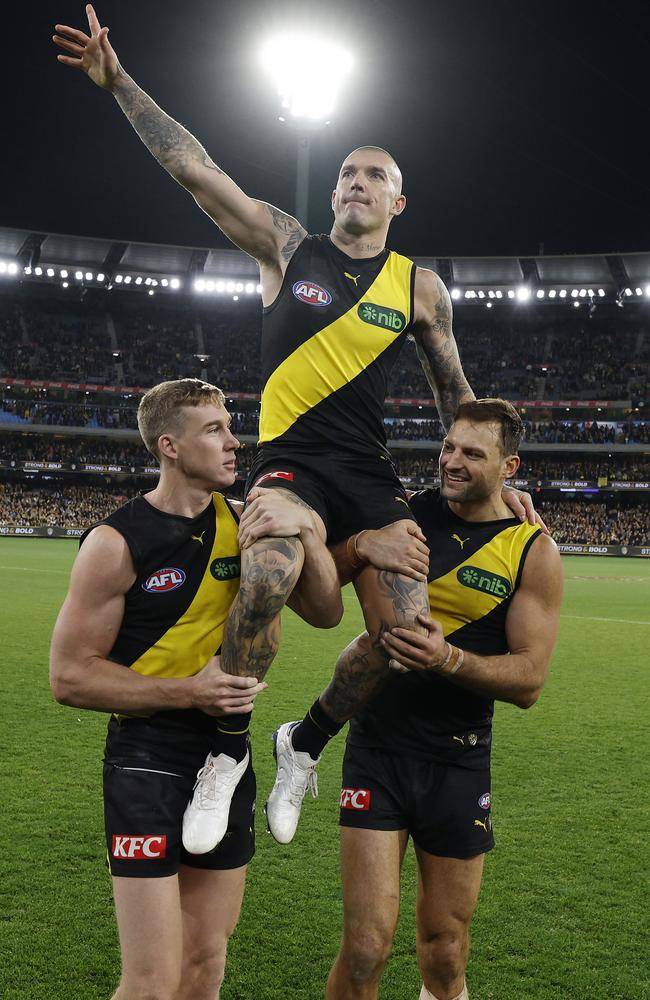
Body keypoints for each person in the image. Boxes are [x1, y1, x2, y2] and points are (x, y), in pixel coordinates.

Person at [53, 7, 538, 854]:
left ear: (398, 198)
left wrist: (504, 477)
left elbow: (459, 401)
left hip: (370, 474)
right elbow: (197, 172)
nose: (355, 181)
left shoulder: (420, 289)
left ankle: (302, 741)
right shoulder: (287, 247)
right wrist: (119, 81)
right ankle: (227, 749)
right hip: (290, 465)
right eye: (346, 171)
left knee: (408, 638)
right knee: (270, 572)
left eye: (373, 174)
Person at [49, 378, 341, 1000]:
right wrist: (190, 692)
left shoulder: (249, 525)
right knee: (153, 981)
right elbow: (70, 675)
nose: (235, 442)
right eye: (214, 430)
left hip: (227, 759)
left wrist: (307, 529)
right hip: (147, 758)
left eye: (231, 426)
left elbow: (326, 612)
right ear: (170, 446)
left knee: (206, 963)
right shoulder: (115, 542)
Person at [319, 398, 563, 1000]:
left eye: (471, 454)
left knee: (445, 950)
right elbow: (317, 586)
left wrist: (447, 658)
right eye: (449, 446)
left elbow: (530, 680)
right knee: (365, 948)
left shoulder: (532, 551)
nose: (451, 461)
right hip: (378, 749)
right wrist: (358, 549)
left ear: (510, 467)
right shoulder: (402, 515)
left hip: (458, 760)